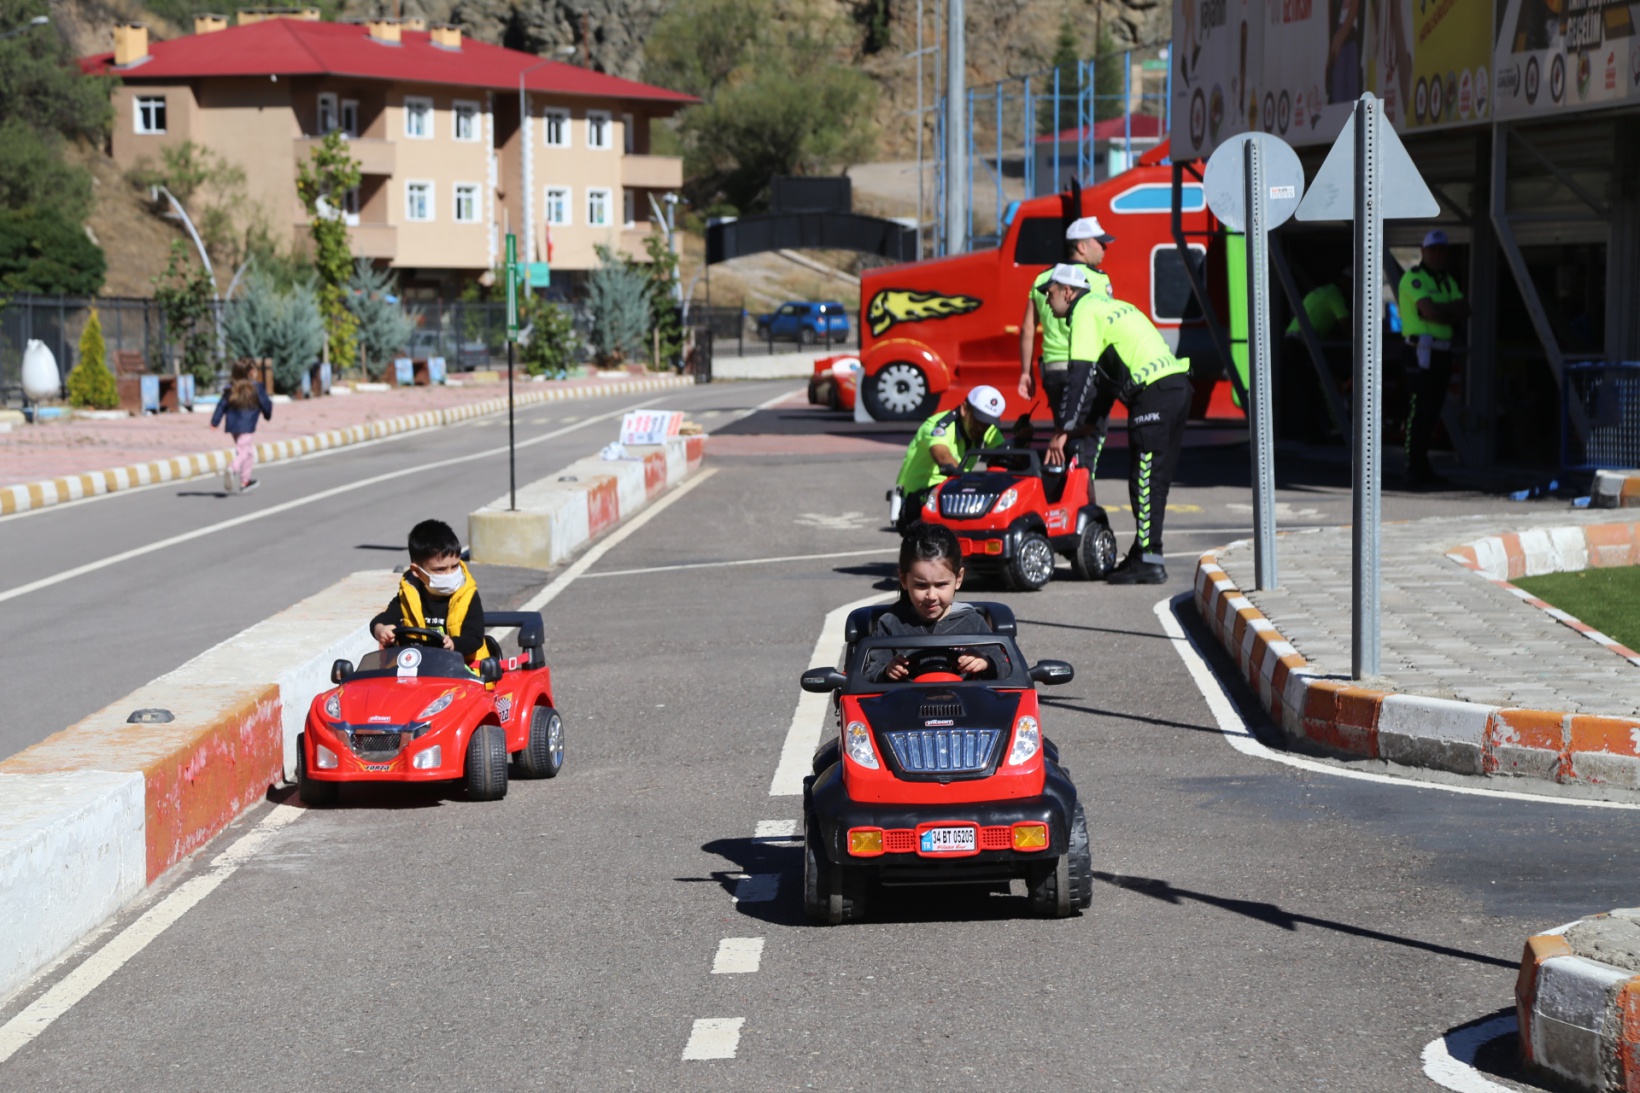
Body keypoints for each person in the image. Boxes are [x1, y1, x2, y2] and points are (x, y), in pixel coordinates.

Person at [1043, 263, 1192, 585]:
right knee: (1155, 480)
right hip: (1176, 387)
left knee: (1144, 480)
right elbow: (1107, 382)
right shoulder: (1109, 306)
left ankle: (1149, 560)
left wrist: (1063, 430)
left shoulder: (1084, 312)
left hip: (1153, 393)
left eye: (1049, 293)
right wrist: (1087, 425)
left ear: (1067, 292)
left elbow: (1080, 376)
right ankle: (1145, 554)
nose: (1046, 301)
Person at [863, 523, 995, 682]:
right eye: (921, 585)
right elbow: (868, 674)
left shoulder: (973, 622)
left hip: (965, 697)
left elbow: (1007, 668)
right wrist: (886, 672)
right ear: (904, 579)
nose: (931, 596)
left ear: (958, 578)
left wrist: (986, 663)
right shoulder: (890, 624)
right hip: (905, 697)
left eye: (941, 585)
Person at [1018, 216, 1117, 425]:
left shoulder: (1042, 279)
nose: (1104, 248)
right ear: (1082, 246)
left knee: (1063, 429)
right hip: (1087, 369)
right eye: (1100, 243)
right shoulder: (1099, 279)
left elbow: (1027, 328)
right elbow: (1108, 326)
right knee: (1088, 434)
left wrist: (1026, 372)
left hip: (1053, 370)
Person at [1397, 229, 1470, 487]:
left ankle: (1422, 465)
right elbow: (1432, 312)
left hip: (1441, 350)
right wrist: (1446, 312)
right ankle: (1412, 467)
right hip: (1420, 351)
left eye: (1442, 251)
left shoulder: (1447, 280)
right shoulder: (1414, 278)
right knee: (1420, 410)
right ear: (1423, 251)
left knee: (1433, 410)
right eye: (1433, 250)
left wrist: (1441, 312)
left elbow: (1465, 308)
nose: (1438, 255)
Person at [370, 519, 490, 660]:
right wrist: (381, 630)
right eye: (440, 569)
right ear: (416, 571)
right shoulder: (409, 595)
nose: (450, 574)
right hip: (420, 665)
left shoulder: (467, 595)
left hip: (464, 665)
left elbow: (474, 638)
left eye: (454, 566)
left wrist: (454, 644)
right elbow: (381, 620)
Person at [892, 385, 1007, 533]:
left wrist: (1021, 441)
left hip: (952, 493)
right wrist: (972, 481)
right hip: (917, 500)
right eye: (978, 420)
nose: (981, 427)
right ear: (964, 409)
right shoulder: (939, 425)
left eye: (987, 423)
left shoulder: (986, 429)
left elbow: (1005, 454)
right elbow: (942, 456)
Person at [211, 360, 272, 493]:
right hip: (247, 425)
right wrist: (267, 415)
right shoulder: (256, 387)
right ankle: (232, 468)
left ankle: (245, 481)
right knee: (243, 451)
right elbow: (265, 403)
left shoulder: (230, 388)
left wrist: (215, 422)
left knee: (248, 452)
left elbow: (221, 405)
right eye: (255, 370)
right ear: (251, 373)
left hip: (233, 426)